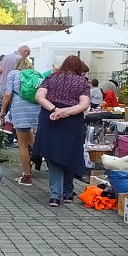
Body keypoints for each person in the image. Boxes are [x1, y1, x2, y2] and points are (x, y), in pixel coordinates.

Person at [32, 55, 91, 208]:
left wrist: (55, 109)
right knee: (69, 154)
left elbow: (39, 96)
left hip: (50, 119)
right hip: (72, 122)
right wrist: (67, 111)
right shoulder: (82, 82)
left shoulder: (51, 78)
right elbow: (84, 104)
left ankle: (54, 196)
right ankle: (67, 194)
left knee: (53, 156)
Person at [0, 56, 40, 186]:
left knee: (22, 144)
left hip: (20, 111)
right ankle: (44, 160)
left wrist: (3, 111)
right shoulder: (37, 74)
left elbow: (8, 94)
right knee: (32, 139)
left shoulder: (13, 74)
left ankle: (27, 176)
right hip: (37, 110)